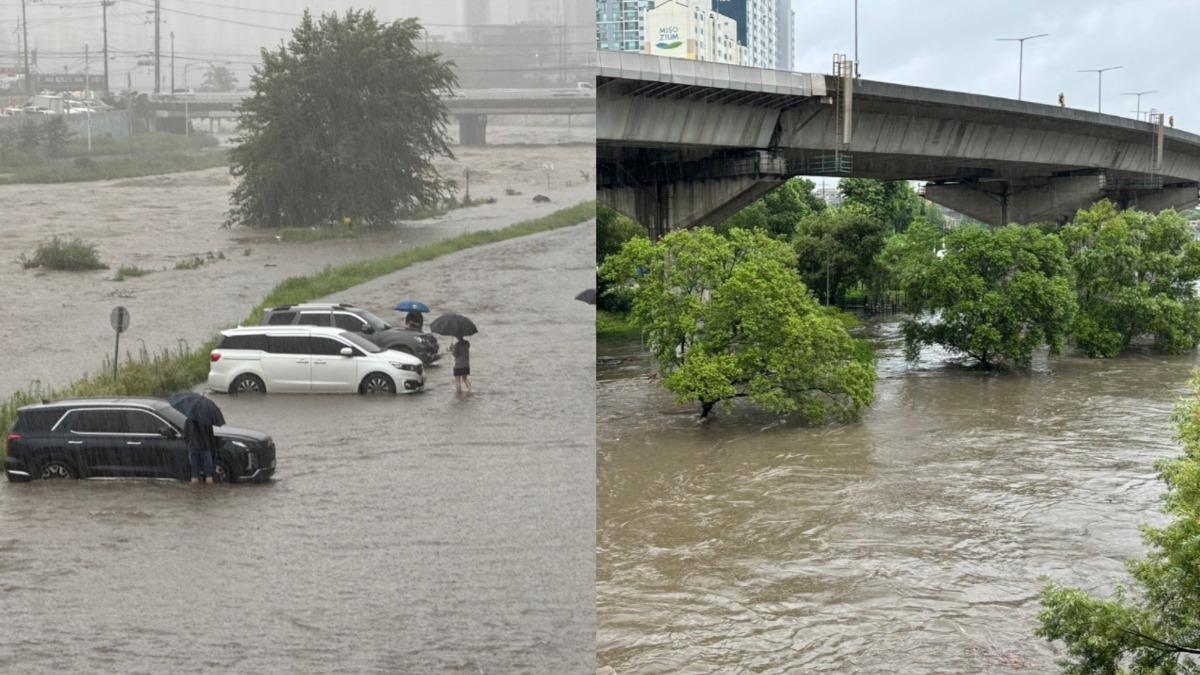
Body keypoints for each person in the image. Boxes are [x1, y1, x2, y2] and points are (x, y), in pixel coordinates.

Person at [185, 418, 216, 484]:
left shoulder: (188, 420)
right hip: (205, 447)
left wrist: (190, 443)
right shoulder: (207, 420)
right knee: (208, 475)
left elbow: (185, 435)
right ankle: (210, 492)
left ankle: (195, 492)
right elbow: (211, 435)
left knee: (194, 474)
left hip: (193, 448)